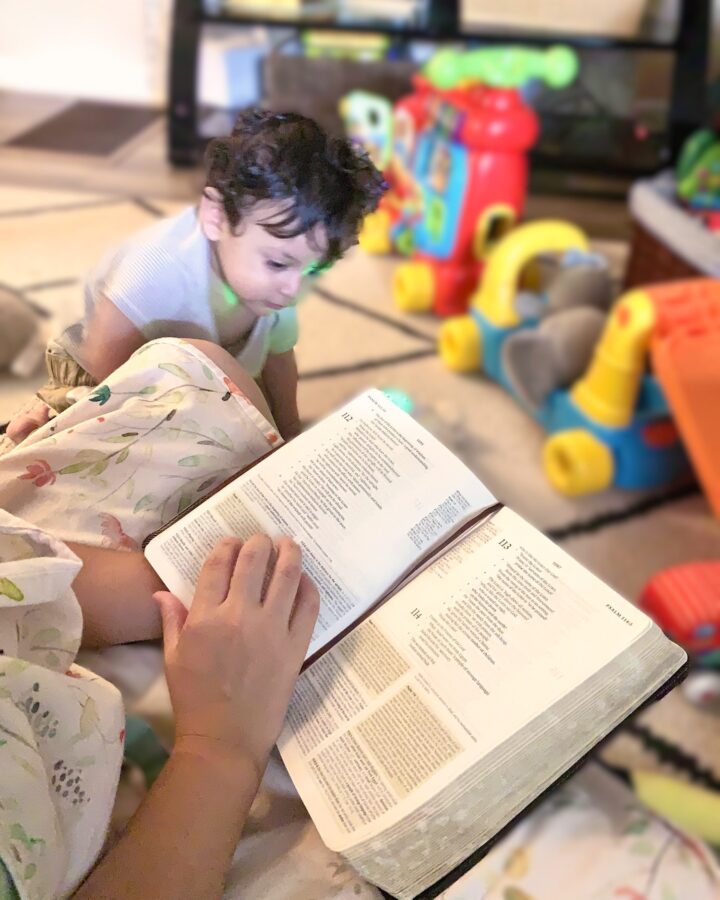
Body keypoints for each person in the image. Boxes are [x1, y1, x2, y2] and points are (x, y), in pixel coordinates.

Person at [6, 108, 386, 445]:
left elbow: (278, 360)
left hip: (202, 373)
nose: (294, 288)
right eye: (278, 263)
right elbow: (106, 365)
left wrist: (287, 434)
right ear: (216, 217)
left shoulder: (275, 288)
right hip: (100, 371)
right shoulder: (156, 269)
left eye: (314, 269)